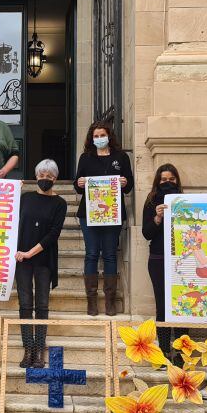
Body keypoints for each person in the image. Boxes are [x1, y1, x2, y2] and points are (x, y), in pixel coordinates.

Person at [73, 121, 134, 316]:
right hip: (88, 214)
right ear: (92, 138)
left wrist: (124, 182)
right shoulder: (86, 157)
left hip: (113, 213)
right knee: (91, 253)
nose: (99, 139)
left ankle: (110, 301)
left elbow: (129, 185)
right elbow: (77, 184)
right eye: (96, 136)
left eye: (102, 135)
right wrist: (80, 182)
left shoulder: (121, 157)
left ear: (109, 136)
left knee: (109, 254)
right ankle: (91, 301)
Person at [15, 160, 68, 368]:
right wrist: (10, 193)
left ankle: (39, 350)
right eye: (42, 175)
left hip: (43, 258)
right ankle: (28, 349)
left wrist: (31, 252)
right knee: (25, 304)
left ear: (55, 178)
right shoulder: (25, 198)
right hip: (22, 259)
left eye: (50, 176)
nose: (45, 179)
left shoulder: (60, 203)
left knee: (42, 305)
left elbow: (53, 234)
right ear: (36, 176)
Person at [141, 164, 182, 358]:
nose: (167, 183)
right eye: (163, 180)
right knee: (163, 305)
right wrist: (157, 217)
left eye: (171, 179)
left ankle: (183, 351)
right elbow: (146, 233)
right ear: (158, 181)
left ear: (177, 181)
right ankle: (164, 350)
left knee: (184, 306)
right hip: (158, 259)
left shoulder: (185, 200)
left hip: (183, 262)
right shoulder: (151, 202)